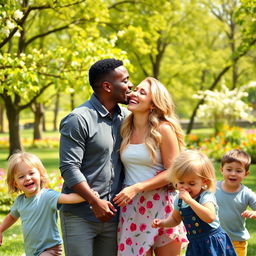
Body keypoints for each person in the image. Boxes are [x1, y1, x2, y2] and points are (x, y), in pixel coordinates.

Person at [59, 58, 132, 256]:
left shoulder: (126, 118)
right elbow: (69, 168)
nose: (130, 85)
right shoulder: (78, 119)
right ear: (107, 86)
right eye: (125, 80)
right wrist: (94, 201)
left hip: (114, 216)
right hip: (79, 216)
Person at [113, 77, 187, 256]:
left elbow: (173, 172)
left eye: (142, 92)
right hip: (132, 207)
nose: (134, 94)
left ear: (153, 104)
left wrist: (138, 187)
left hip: (162, 204)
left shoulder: (164, 129)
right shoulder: (125, 128)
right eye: (135, 89)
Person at [0, 152, 96, 256]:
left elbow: (69, 198)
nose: (27, 178)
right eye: (21, 177)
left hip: (50, 248)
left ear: (40, 175)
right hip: (32, 250)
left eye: (31, 173)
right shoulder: (19, 201)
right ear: (15, 183)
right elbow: (12, 217)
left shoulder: (47, 196)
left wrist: (90, 196)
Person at [152, 150, 237, 256]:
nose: (185, 187)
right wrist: (163, 223)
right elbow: (175, 219)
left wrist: (190, 201)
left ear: (204, 181)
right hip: (195, 245)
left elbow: (210, 217)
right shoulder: (179, 199)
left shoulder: (205, 196)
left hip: (212, 242)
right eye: (181, 182)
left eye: (191, 183)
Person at [216, 149, 256, 256]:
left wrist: (254, 213)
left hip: (237, 242)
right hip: (215, 239)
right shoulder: (213, 189)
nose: (233, 174)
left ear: (246, 173)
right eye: (229, 169)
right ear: (222, 170)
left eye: (238, 171)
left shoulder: (247, 193)